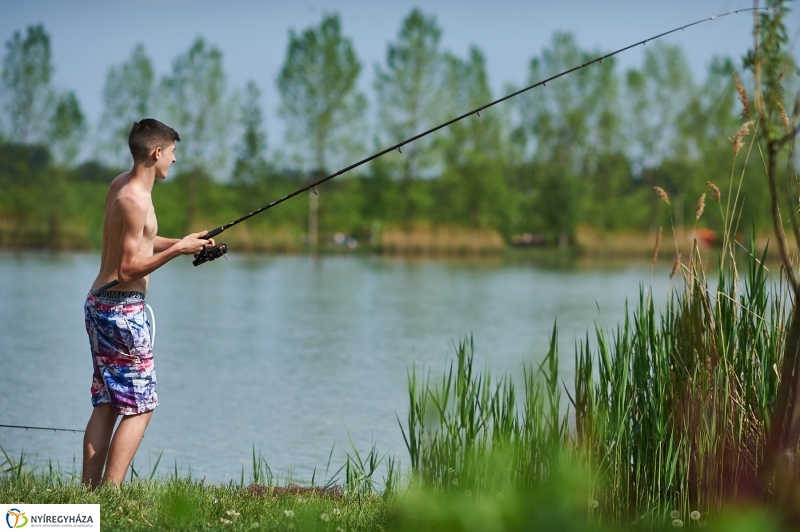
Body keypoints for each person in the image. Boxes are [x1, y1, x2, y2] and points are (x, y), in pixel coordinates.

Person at [82, 119, 214, 488]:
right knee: (141, 406)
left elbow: (140, 241)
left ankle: (89, 493)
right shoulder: (135, 200)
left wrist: (186, 242)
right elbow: (127, 269)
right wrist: (177, 251)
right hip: (122, 310)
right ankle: (110, 492)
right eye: (172, 152)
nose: (174, 159)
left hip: (100, 305)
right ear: (157, 152)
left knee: (108, 402)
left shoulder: (121, 186)